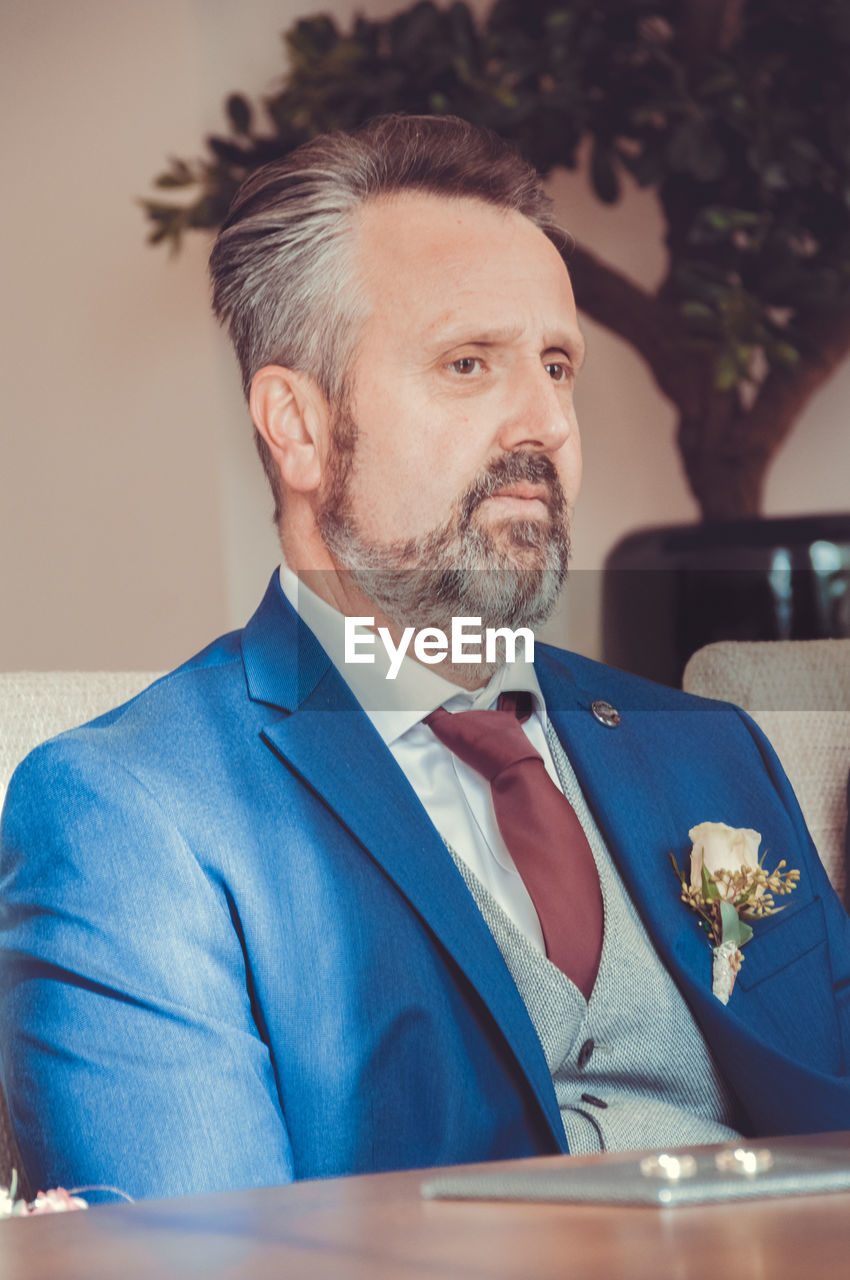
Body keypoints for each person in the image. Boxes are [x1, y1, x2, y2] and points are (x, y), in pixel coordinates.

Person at [2, 115, 849, 1202]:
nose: (544, 420)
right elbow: (197, 1257)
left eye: (557, 365)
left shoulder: (709, 751)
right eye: (467, 362)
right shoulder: (130, 814)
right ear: (297, 427)